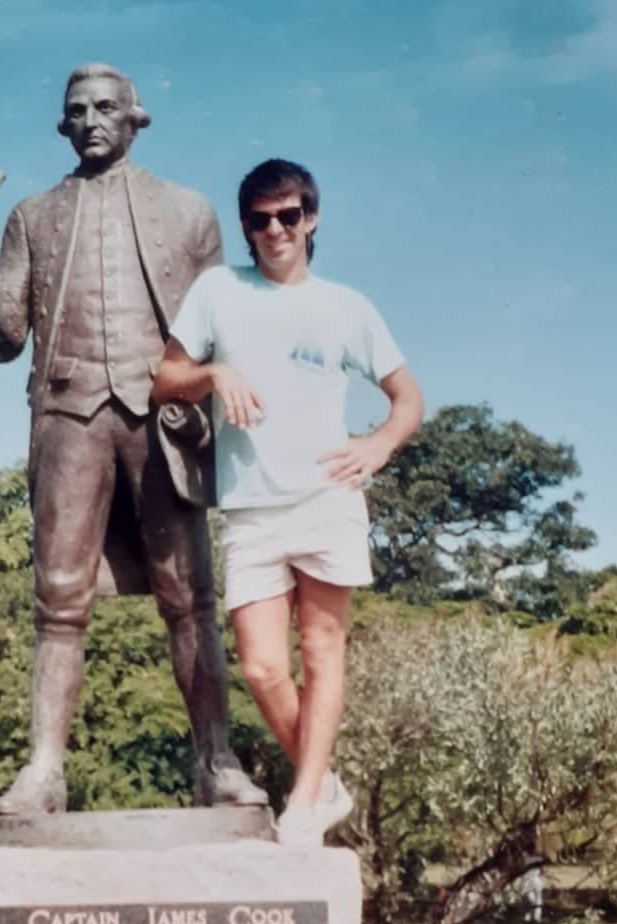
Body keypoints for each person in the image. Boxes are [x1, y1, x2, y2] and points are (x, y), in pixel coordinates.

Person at [0, 64, 266, 816]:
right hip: (68, 414)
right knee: (57, 599)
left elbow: (225, 328)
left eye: (105, 107)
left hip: (163, 418)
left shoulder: (187, 212)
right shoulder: (33, 216)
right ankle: (44, 770)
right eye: (76, 110)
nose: (90, 119)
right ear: (63, 124)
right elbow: (6, 337)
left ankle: (216, 759)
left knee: (190, 596)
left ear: (135, 118)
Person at [151, 158, 425, 843]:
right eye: (260, 219)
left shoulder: (346, 307)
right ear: (244, 225)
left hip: (327, 498)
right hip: (249, 506)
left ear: (312, 219)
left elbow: (407, 398)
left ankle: (301, 805)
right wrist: (213, 371)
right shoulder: (218, 290)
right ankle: (324, 782)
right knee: (263, 667)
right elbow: (163, 378)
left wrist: (379, 445)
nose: (275, 229)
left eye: (289, 216)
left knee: (323, 651)